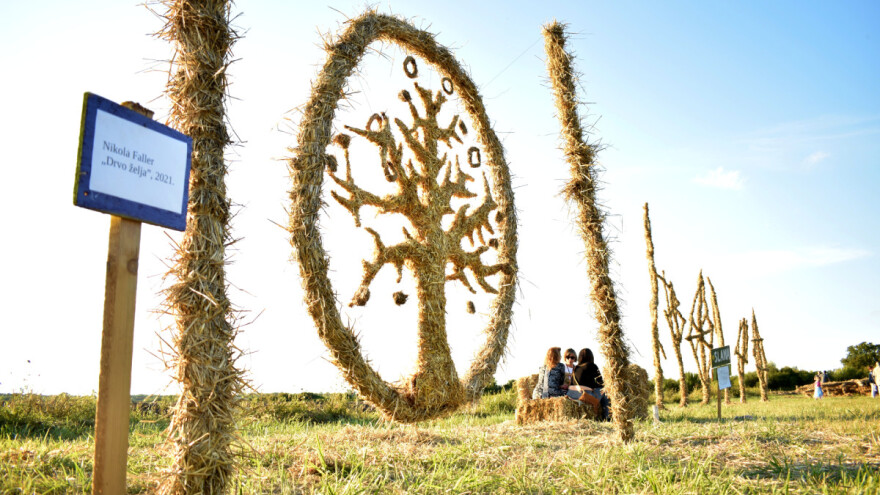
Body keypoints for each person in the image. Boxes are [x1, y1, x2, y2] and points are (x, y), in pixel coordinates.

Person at [567, 348, 611, 420]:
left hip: (572, 394)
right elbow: (600, 383)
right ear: (591, 357)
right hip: (585, 394)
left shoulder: (576, 368)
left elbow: (571, 383)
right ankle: (607, 417)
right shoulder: (592, 366)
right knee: (605, 393)